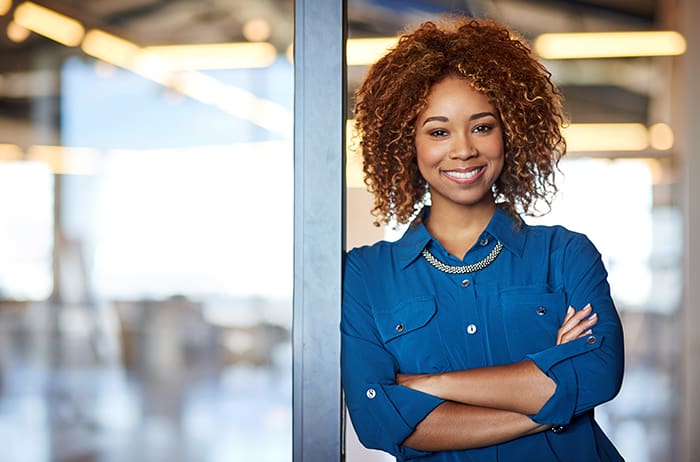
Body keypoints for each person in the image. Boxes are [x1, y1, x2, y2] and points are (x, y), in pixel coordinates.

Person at [340, 15, 625, 461]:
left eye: (482, 126)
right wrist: (550, 404)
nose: (463, 149)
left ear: (509, 131)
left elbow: (597, 375)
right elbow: (380, 420)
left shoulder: (566, 255)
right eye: (438, 131)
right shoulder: (364, 275)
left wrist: (429, 386)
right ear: (406, 143)